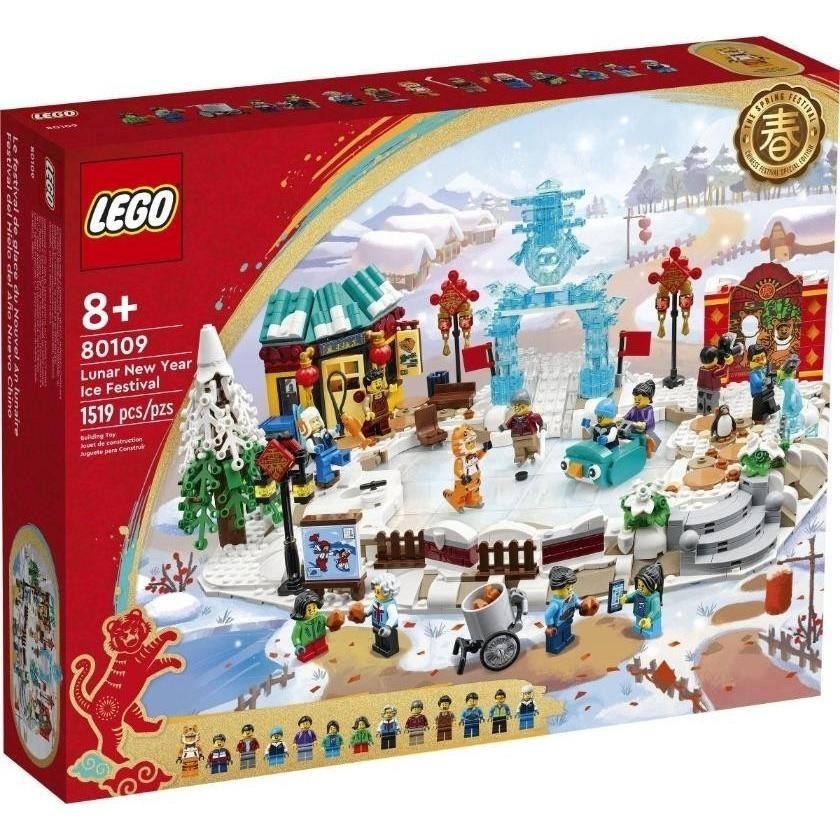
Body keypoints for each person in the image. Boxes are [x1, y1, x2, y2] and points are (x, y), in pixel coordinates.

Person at [544, 566, 582, 654]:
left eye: (572, 586)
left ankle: (567, 639)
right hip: (557, 625)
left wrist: (581, 605)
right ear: (556, 589)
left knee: (567, 631)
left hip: (567, 619)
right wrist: (550, 626)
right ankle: (556, 646)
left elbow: (577, 601)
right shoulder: (555, 604)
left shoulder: (572, 595)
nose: (570, 589)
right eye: (567, 588)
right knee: (556, 636)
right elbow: (548, 615)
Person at [621, 562, 664, 638]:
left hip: (651, 623)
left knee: (649, 627)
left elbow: (656, 611)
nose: (640, 588)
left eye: (643, 586)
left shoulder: (654, 598)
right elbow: (632, 597)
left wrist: (649, 619)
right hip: (640, 615)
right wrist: (626, 599)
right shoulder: (638, 593)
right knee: (639, 622)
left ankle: (649, 630)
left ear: (653, 585)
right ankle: (640, 629)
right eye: (639, 585)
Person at [623, 379, 659, 455]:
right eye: (635, 399)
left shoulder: (648, 410)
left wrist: (644, 424)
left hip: (643, 431)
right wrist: (622, 419)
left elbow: (650, 420)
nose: (636, 401)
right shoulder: (634, 409)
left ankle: (647, 450)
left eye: (639, 399)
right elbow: (627, 416)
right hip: (632, 430)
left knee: (645, 438)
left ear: (649, 399)